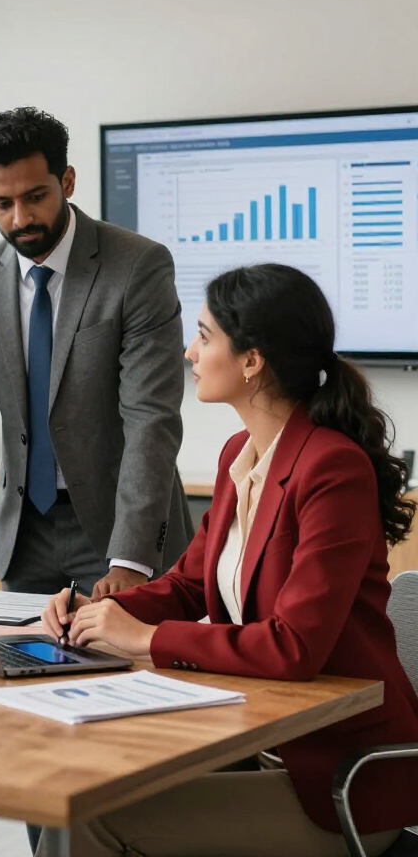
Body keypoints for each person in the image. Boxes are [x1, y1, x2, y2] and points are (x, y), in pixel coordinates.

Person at [43, 263, 418, 857]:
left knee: (91, 822)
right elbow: (192, 583)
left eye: (204, 335)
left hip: (341, 784)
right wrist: (98, 612)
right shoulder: (240, 455)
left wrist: (144, 639)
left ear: (252, 360)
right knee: (84, 791)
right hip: (258, 746)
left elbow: (293, 646)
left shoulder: (331, 468)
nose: (190, 351)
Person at [0, 106, 194, 601]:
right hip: (25, 534)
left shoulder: (137, 267)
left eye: (35, 197)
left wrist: (130, 557)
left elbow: (150, 417)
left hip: (115, 529)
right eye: (2, 203)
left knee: (126, 672)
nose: (20, 219)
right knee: (17, 670)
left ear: (67, 181)